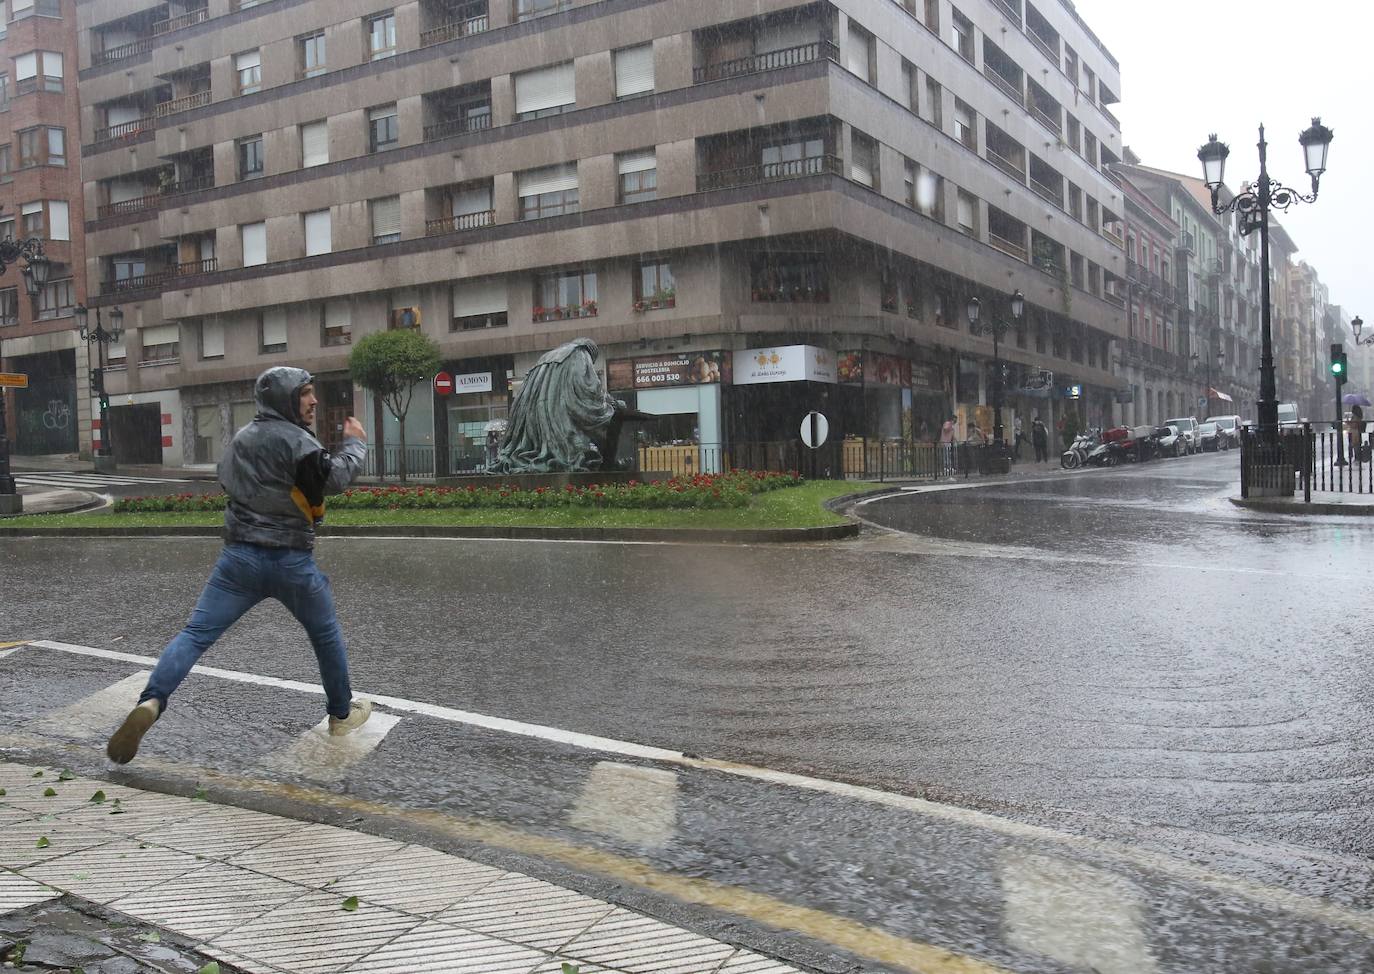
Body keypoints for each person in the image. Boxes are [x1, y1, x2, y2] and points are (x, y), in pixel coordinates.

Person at [106, 367, 372, 765]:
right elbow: (333, 479)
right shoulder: (300, 442)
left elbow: (225, 480)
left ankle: (152, 700)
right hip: (291, 561)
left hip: (238, 560)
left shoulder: (241, 439)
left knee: (195, 634)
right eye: (306, 394)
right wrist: (354, 445)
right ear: (287, 399)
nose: (314, 401)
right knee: (325, 635)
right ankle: (340, 713)